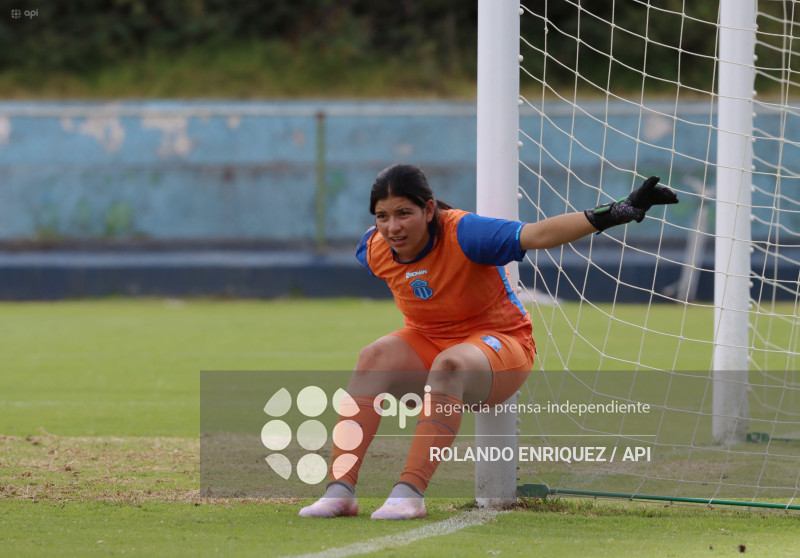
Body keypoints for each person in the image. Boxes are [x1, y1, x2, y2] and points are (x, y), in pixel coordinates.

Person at [299, 163, 678, 520]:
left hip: (501, 345)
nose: (392, 227)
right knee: (373, 356)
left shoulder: (465, 232)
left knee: (449, 363)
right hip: (430, 341)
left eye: (403, 213)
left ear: (429, 210)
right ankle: (340, 490)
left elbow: (539, 234)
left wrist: (616, 212)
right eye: (382, 216)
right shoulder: (374, 249)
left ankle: (409, 493)